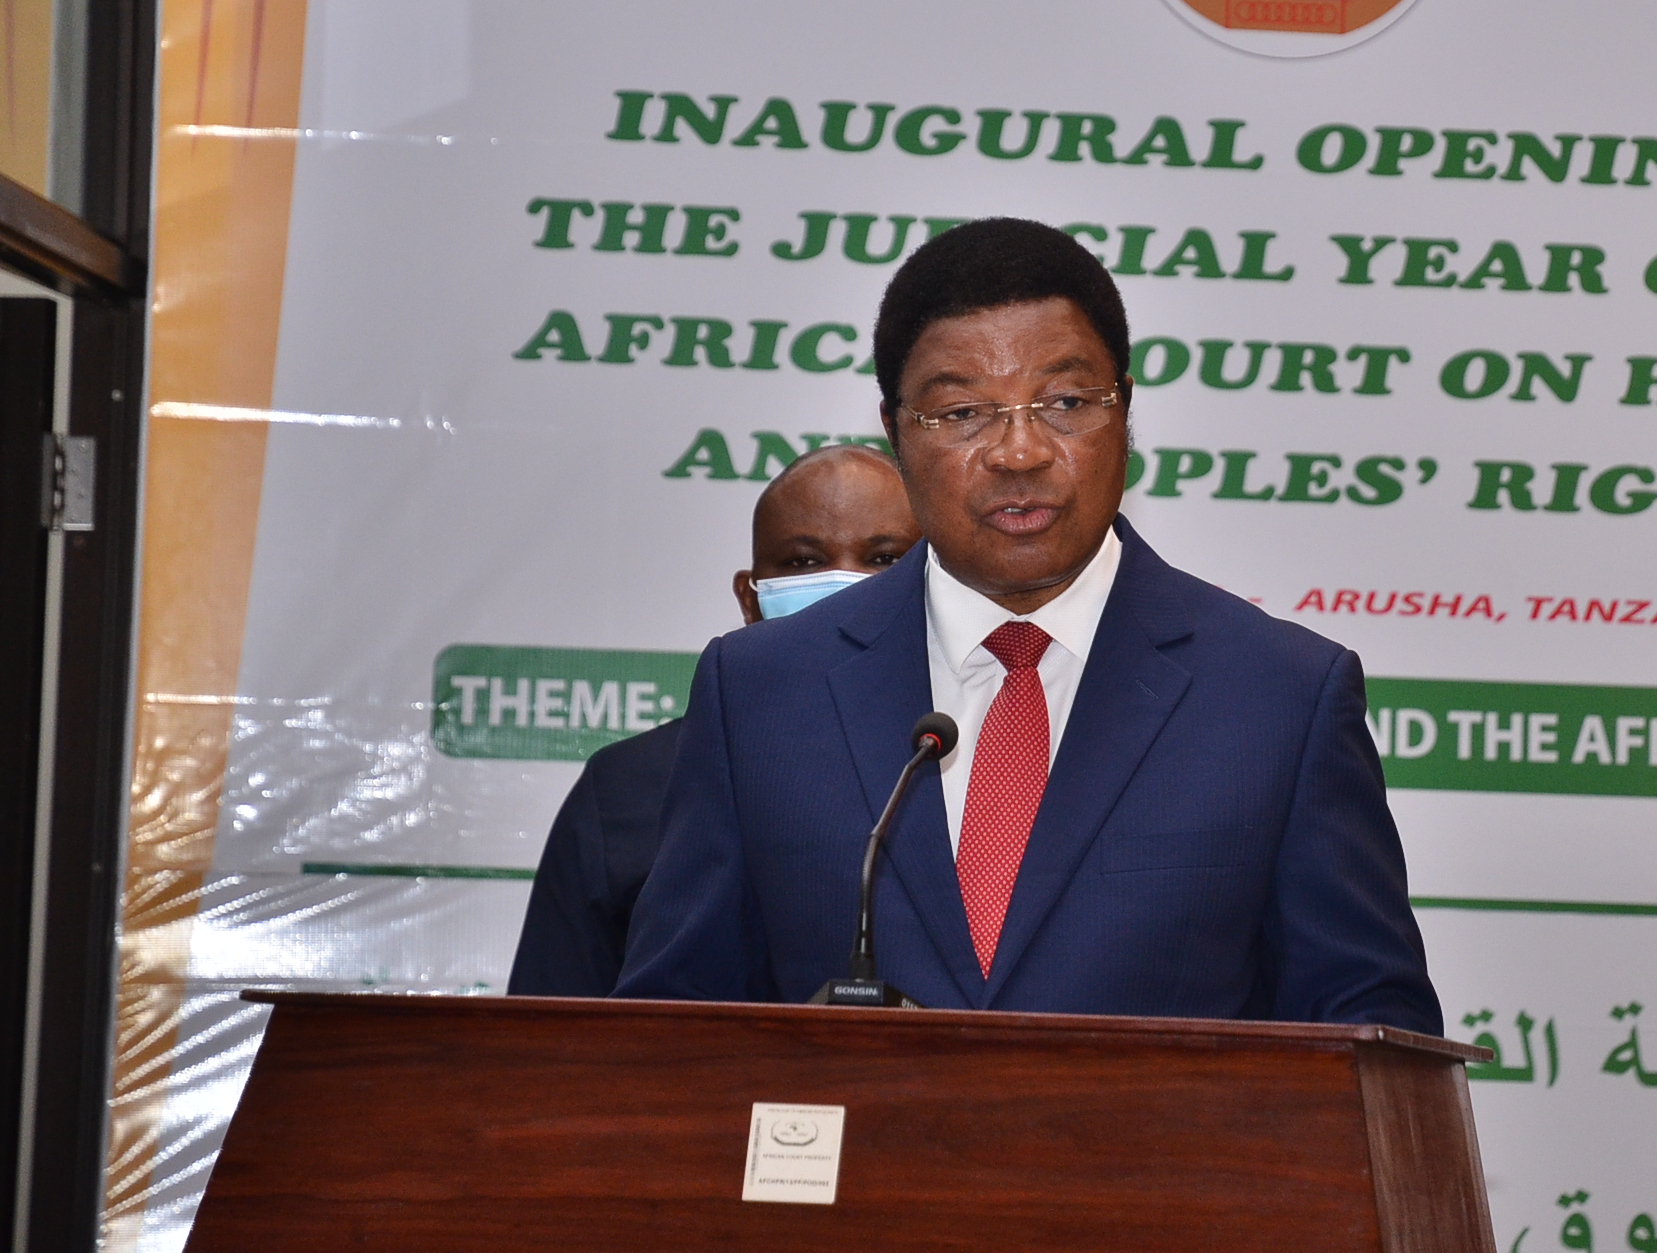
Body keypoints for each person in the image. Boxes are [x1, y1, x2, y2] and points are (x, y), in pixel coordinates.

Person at [615, 218, 1441, 1032]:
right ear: (894, 432)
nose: (1019, 452)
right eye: (962, 413)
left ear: (1126, 413)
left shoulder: (1279, 698)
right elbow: (671, 1033)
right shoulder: (762, 691)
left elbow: (1367, 1035)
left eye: (1066, 401)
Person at [506, 445, 920, 996]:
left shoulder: (966, 759)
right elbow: (551, 1039)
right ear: (750, 601)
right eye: (802, 562)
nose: (845, 587)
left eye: (885, 559)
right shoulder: (627, 786)